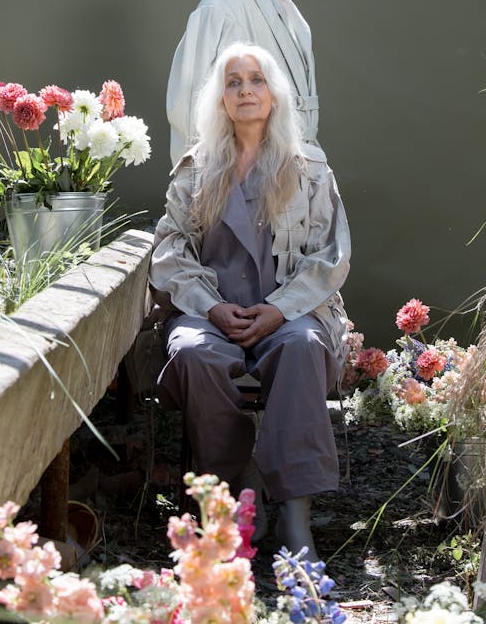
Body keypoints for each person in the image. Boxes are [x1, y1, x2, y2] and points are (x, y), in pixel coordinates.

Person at [150, 42, 350, 559]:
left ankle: (295, 514)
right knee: (193, 353)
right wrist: (210, 306)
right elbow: (170, 250)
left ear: (274, 93)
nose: (245, 90)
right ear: (219, 99)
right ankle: (237, 482)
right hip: (211, 312)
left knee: (304, 347)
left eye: (256, 80)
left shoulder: (309, 169)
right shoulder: (195, 171)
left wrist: (281, 309)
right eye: (233, 82)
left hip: (290, 313)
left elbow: (332, 255)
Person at [166, 0, 319, 164]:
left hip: (293, 168)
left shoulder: (289, 12)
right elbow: (190, 104)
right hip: (241, 175)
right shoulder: (220, 6)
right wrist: (198, 185)